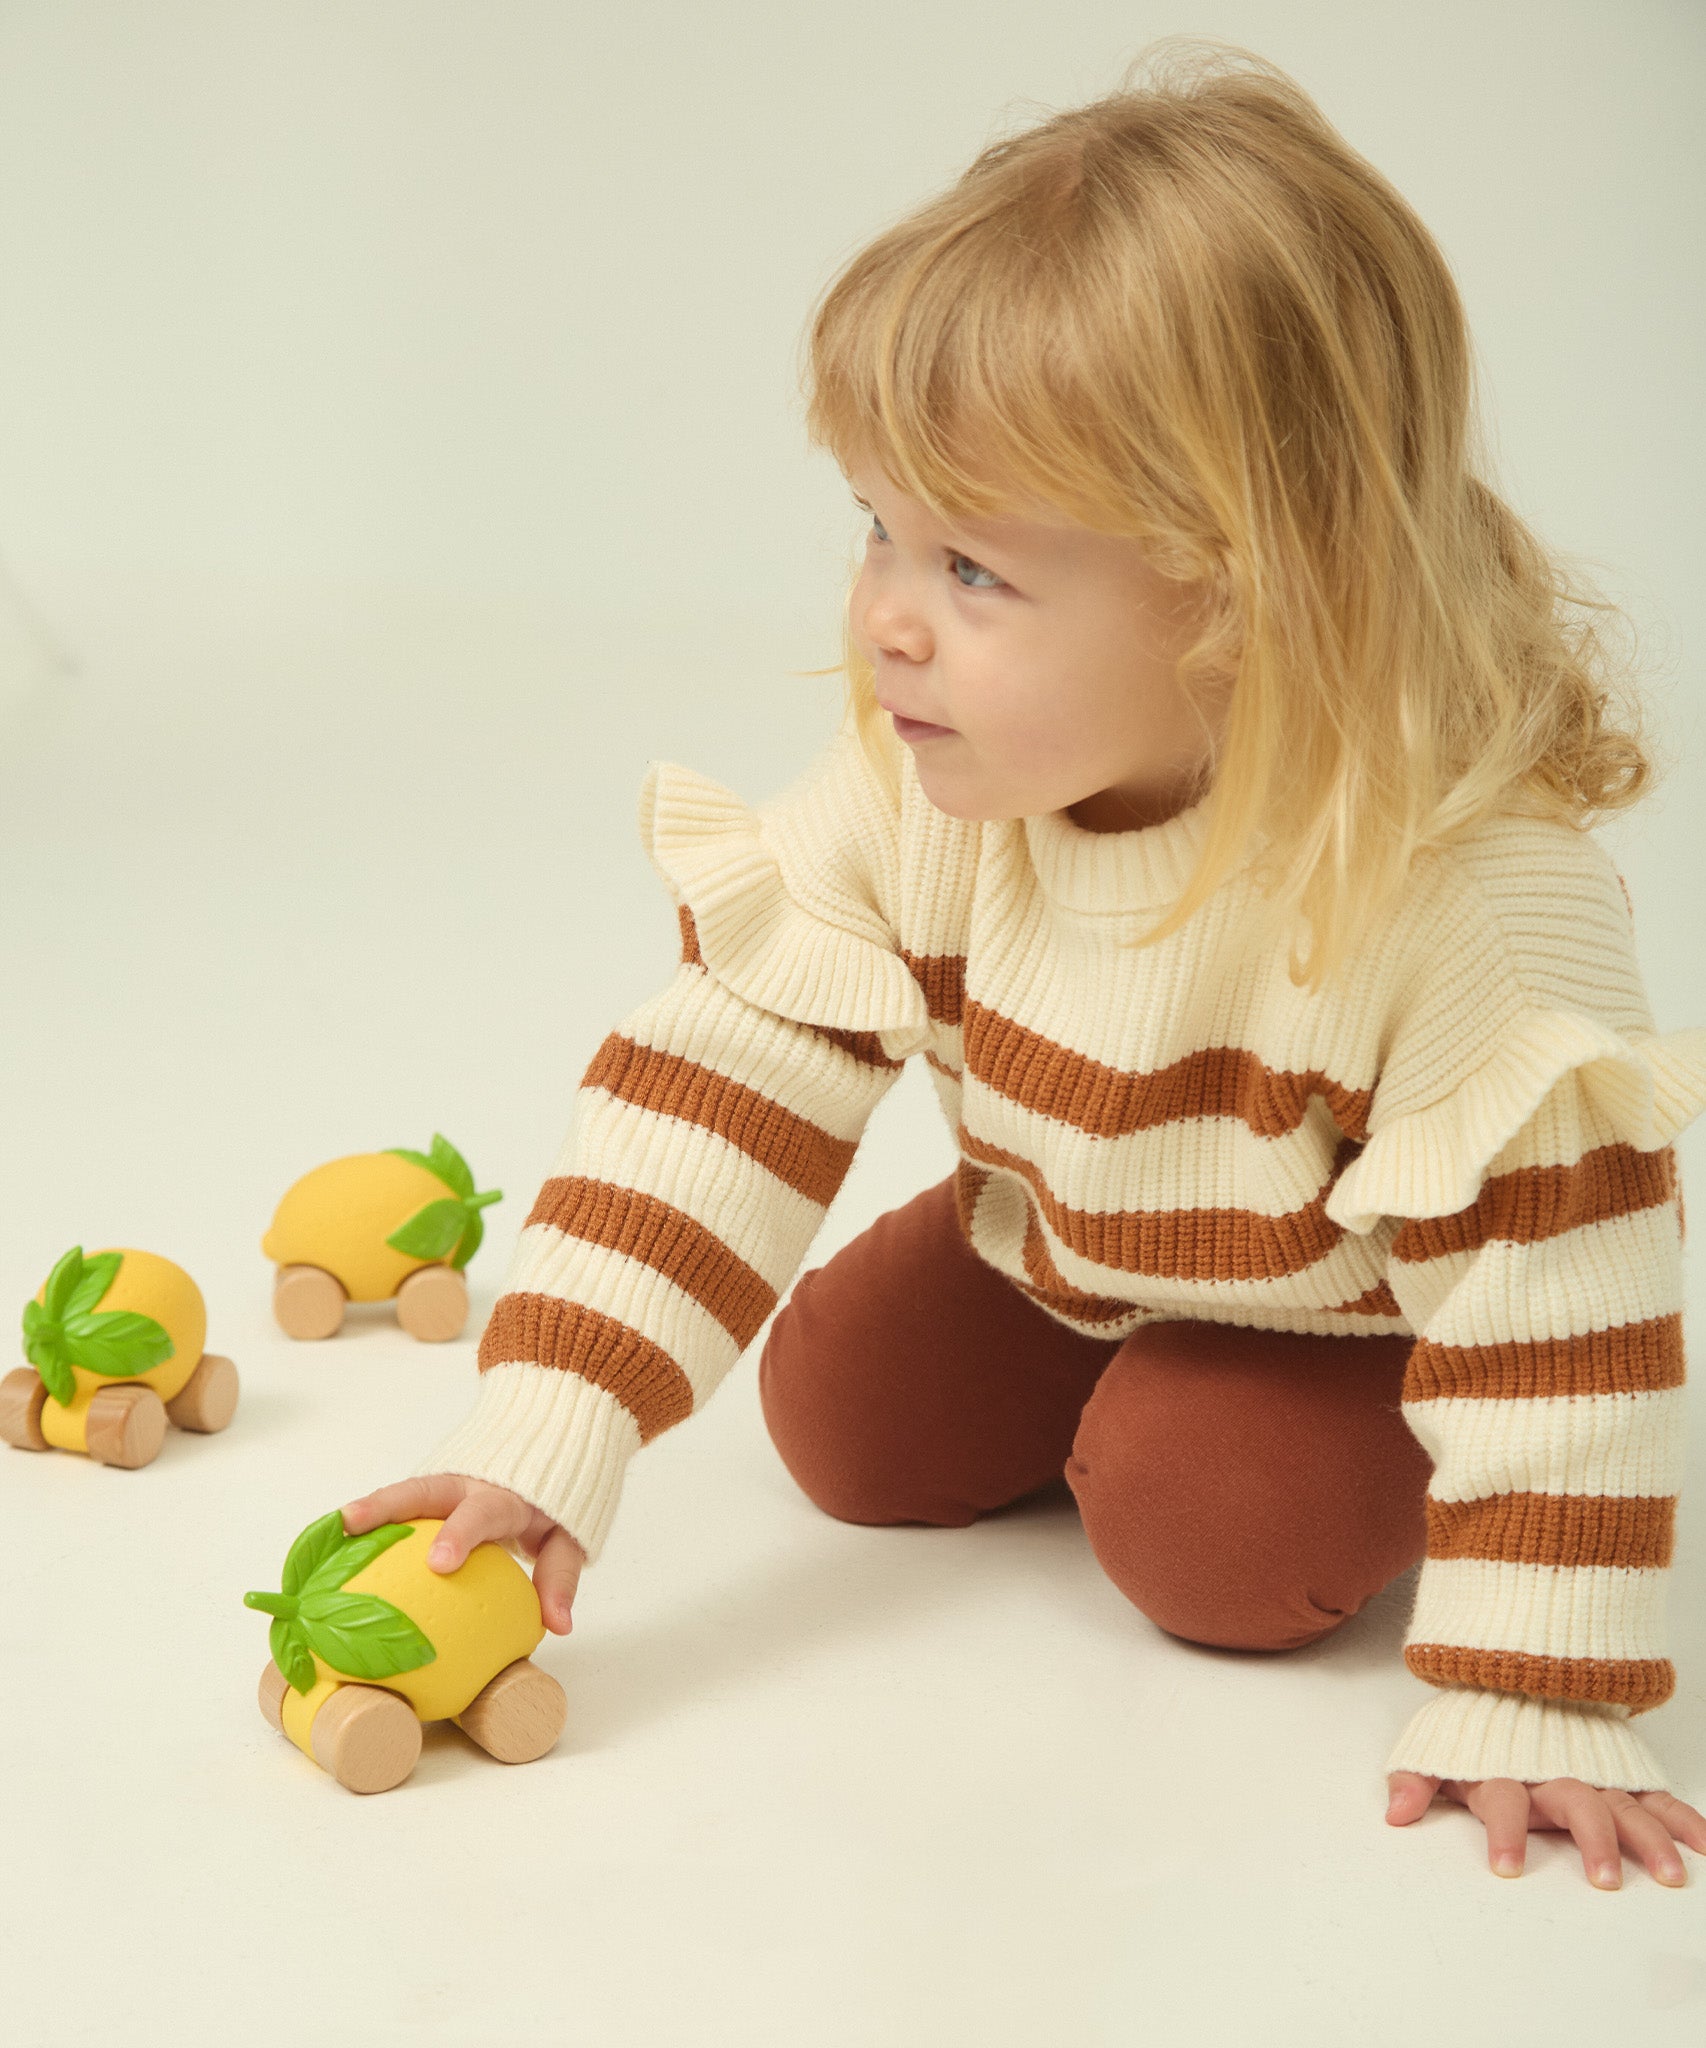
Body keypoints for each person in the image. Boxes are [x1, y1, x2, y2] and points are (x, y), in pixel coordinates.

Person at [345, 40, 1706, 1886]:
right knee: (836, 1421)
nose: (888, 620)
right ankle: (1113, 1364)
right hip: (1062, 1246)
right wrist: (545, 1420)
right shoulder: (935, 790)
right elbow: (720, 1080)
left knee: (1199, 1537)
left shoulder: (1449, 900)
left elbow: (1564, 1297)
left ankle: (1207, 1427)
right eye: (875, 531)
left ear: (1245, 588)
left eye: (975, 570)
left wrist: (1542, 1686)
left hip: (1350, 1317)